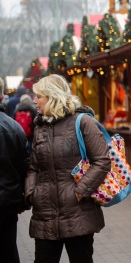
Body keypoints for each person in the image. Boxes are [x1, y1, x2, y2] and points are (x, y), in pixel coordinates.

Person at [25, 74, 111, 263]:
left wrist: (80, 192)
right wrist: (32, 193)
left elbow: (103, 160)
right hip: (45, 214)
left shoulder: (83, 122)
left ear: (52, 96)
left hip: (78, 212)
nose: (35, 100)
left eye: (39, 96)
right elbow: (33, 167)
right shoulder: (40, 127)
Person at [0, 78, 29, 263]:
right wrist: (22, 201)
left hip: (8, 200)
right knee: (8, 250)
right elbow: (24, 166)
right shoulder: (14, 127)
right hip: (7, 202)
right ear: (2, 96)